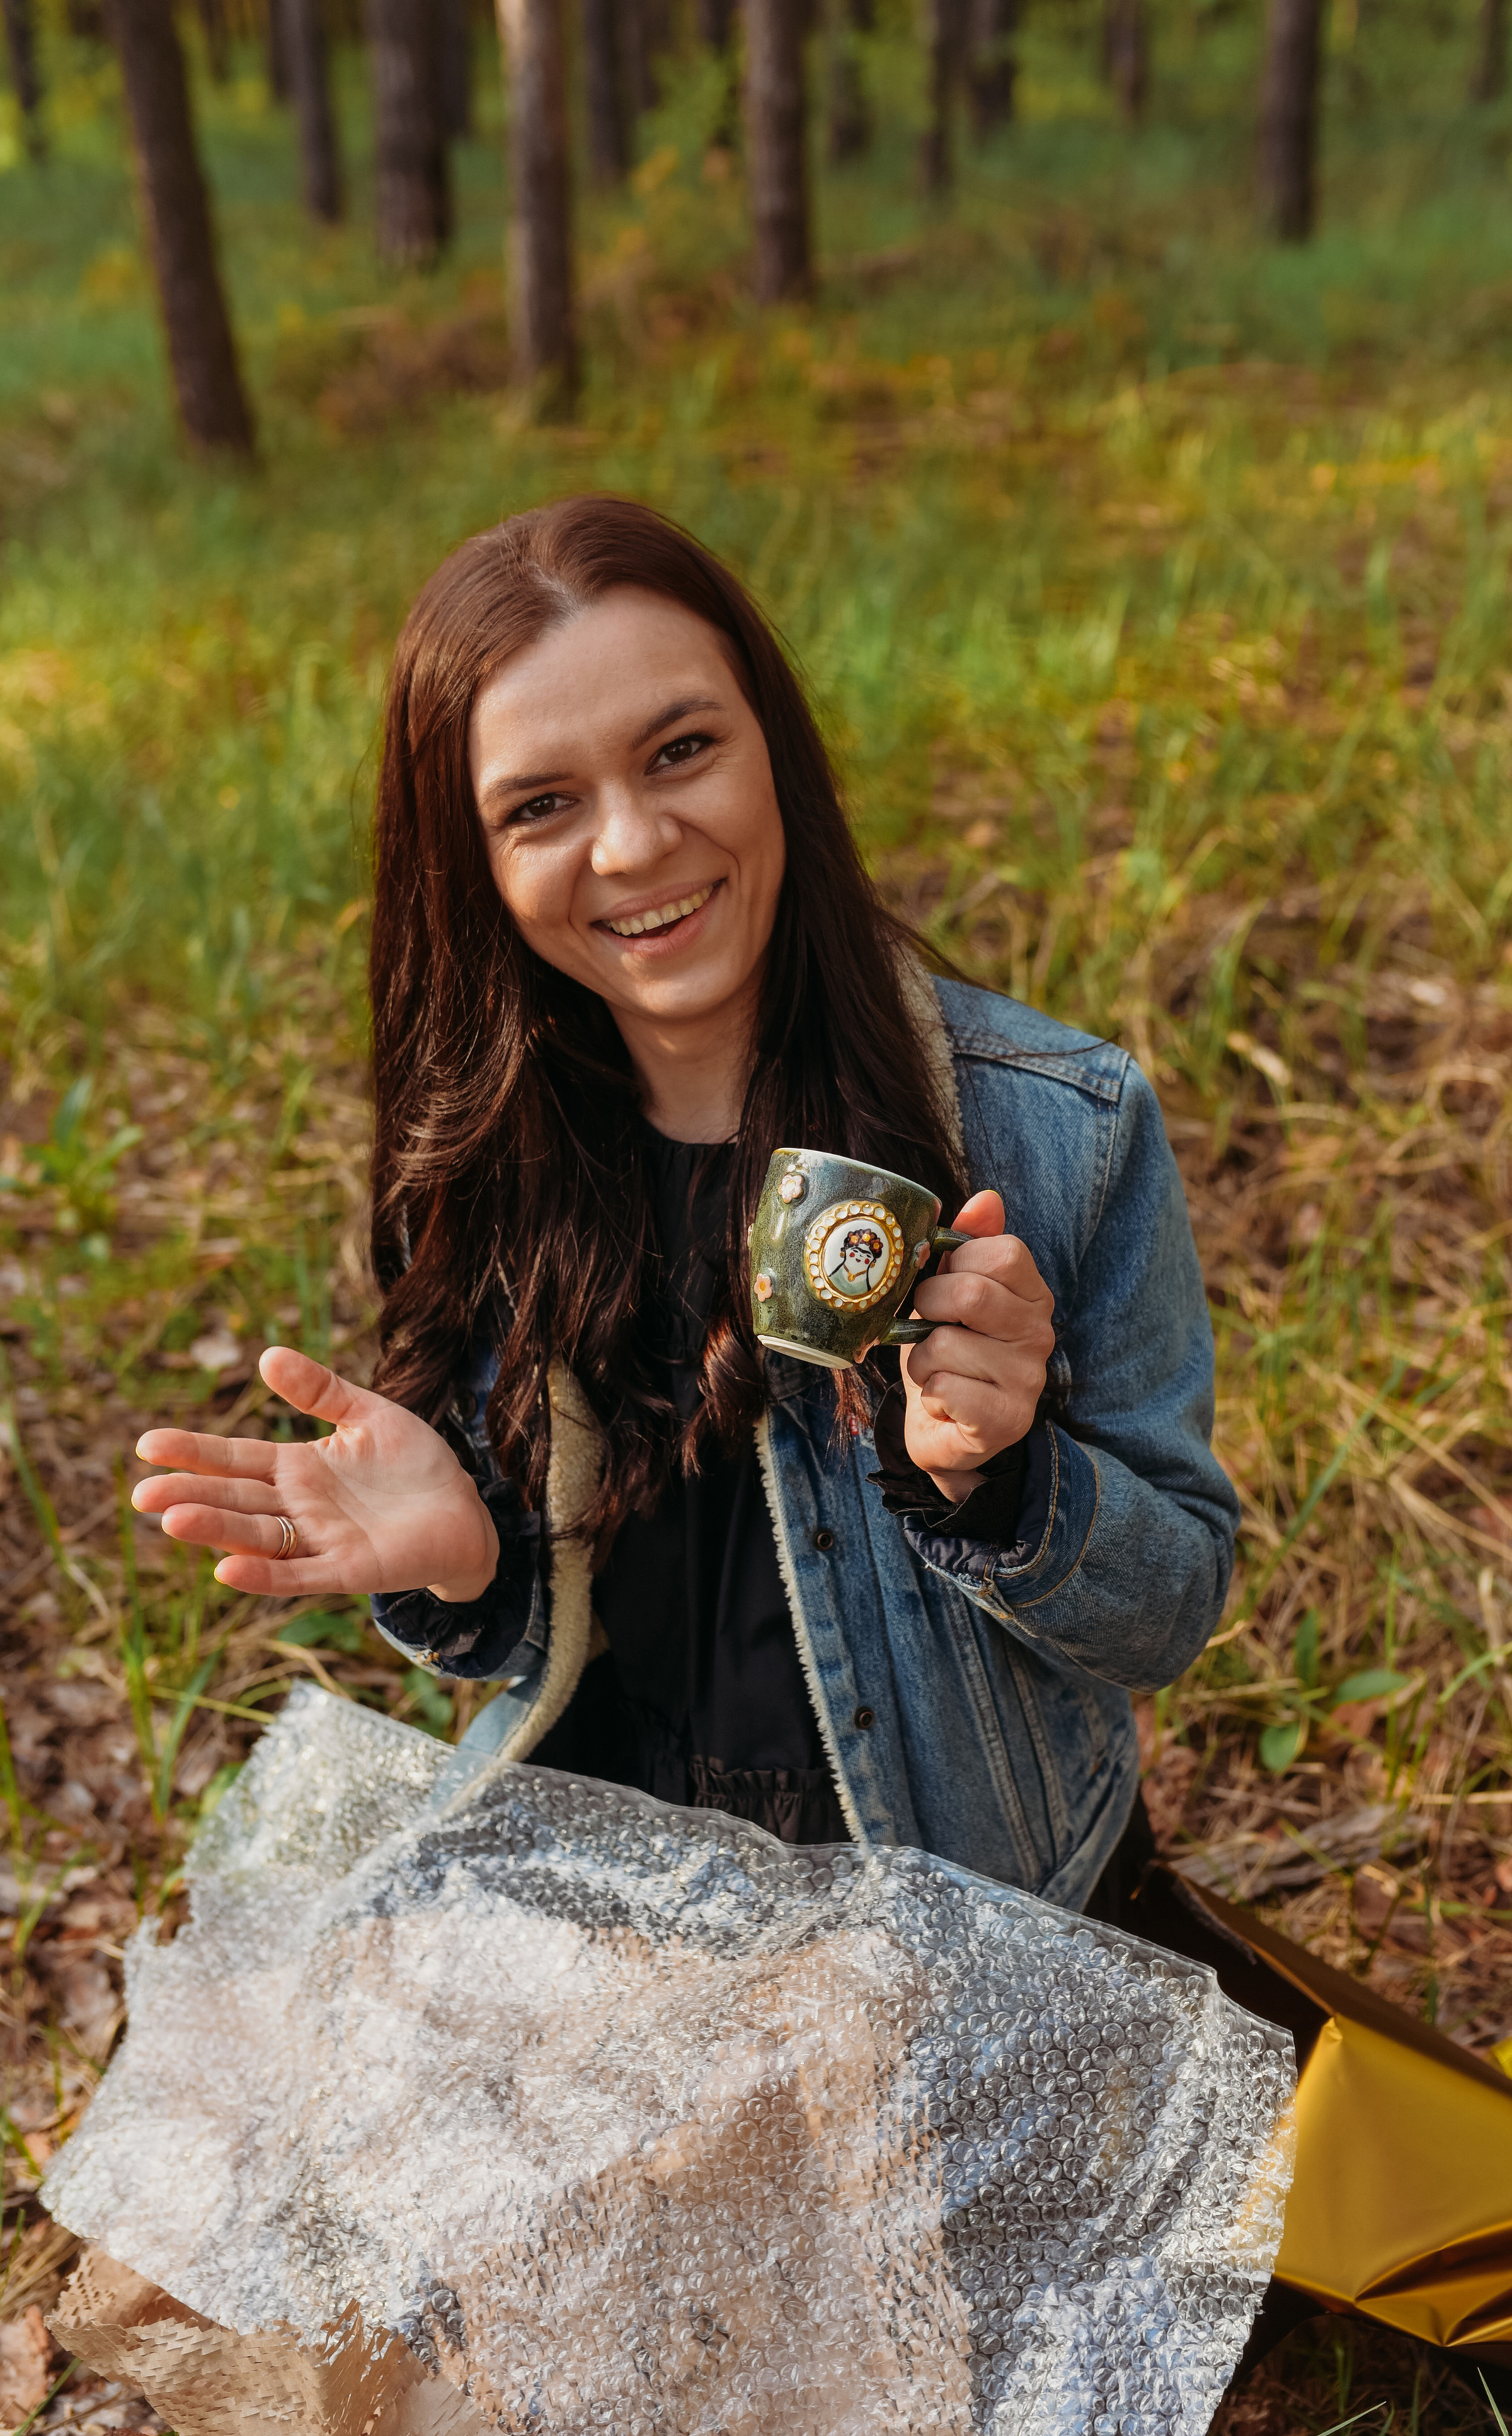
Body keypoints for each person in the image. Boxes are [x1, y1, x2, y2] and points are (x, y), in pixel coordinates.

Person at [131, 496, 1239, 1910]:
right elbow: (543, 1644)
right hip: (619, 1909)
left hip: (964, 1917)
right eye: (541, 805)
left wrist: (996, 1474)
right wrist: (474, 1565)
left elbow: (1169, 1611)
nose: (634, 844)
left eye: (681, 751)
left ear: (771, 742)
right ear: (468, 861)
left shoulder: (1054, 1125)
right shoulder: (484, 1158)